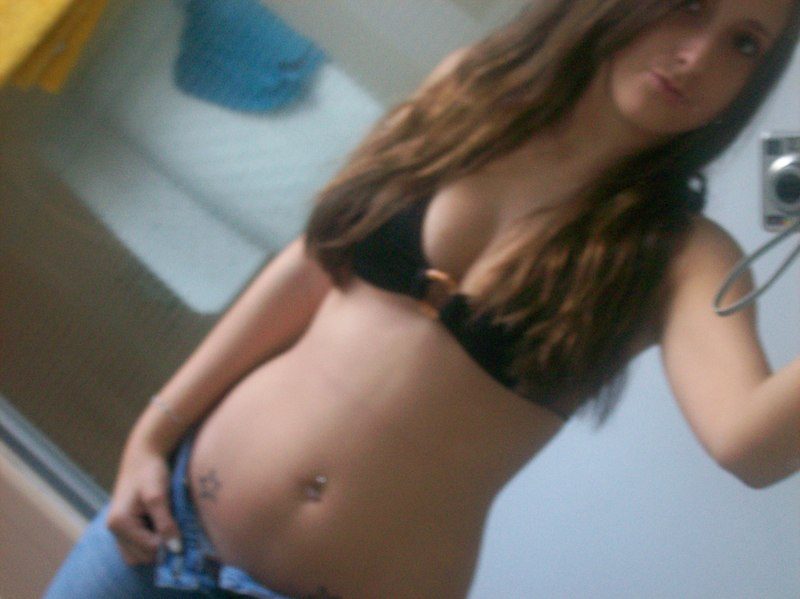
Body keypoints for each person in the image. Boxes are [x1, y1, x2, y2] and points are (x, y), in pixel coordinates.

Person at [44, 1, 800, 597]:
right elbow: (312, 267)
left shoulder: (681, 255)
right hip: (163, 526)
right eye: (688, 5)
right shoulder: (471, 89)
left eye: (744, 44)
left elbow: (751, 446)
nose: (697, 56)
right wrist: (154, 431)